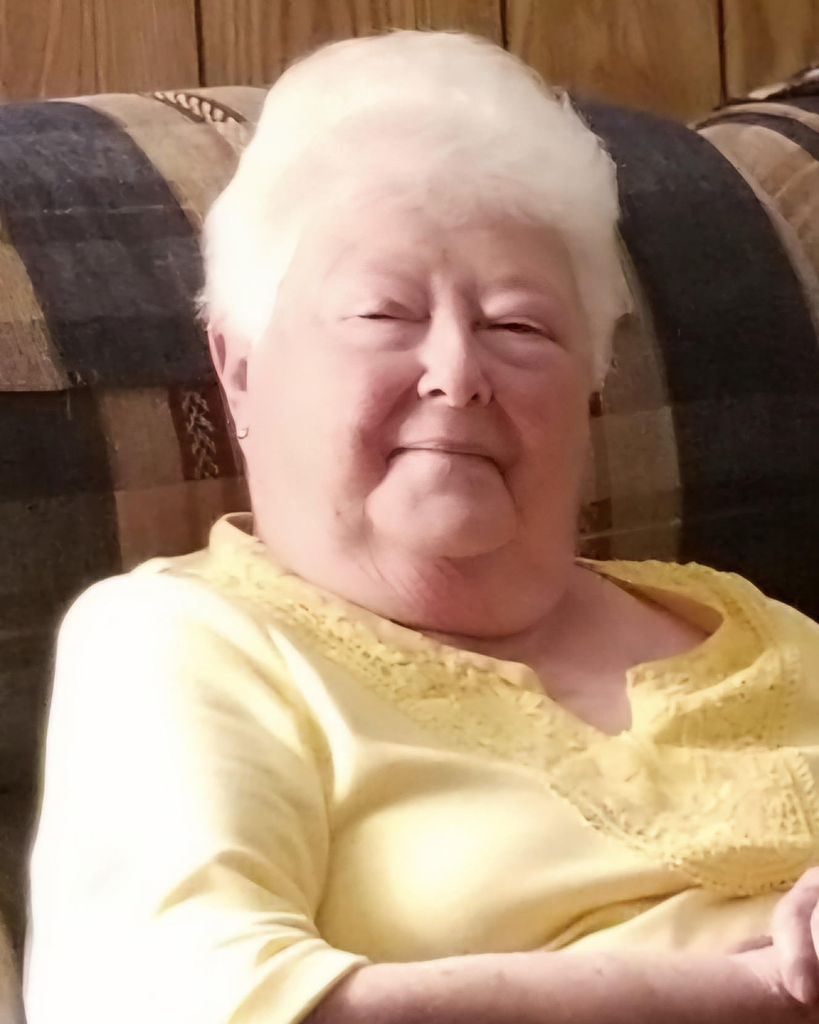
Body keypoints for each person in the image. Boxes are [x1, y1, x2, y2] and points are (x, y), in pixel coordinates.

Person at [23, 29, 819, 1024]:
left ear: (588, 388)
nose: (458, 372)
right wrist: (760, 986)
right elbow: (172, 1003)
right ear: (240, 368)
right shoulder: (184, 639)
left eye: (518, 326)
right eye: (384, 314)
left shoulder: (756, 631)